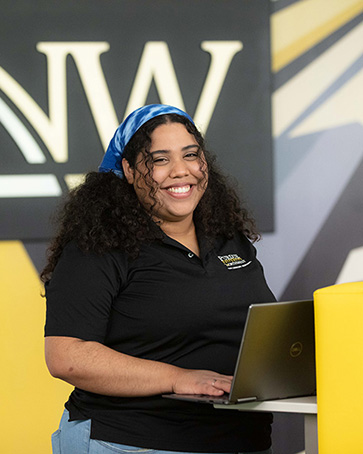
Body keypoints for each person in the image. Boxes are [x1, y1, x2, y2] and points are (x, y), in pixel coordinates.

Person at [42, 104, 276, 454]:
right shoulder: (99, 246)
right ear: (129, 171)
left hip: (241, 440)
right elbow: (66, 356)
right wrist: (177, 378)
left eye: (190, 155)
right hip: (131, 441)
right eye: (160, 160)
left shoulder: (228, 238)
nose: (181, 172)